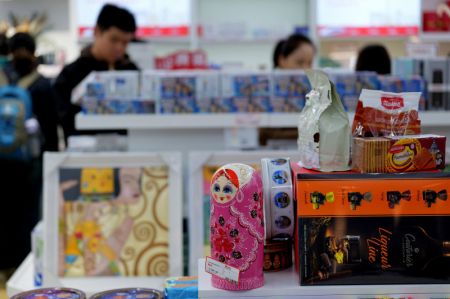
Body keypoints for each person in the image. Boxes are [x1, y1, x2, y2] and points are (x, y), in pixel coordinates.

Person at [0, 32, 58, 270]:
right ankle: (24, 265)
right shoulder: (42, 84)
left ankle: (3, 266)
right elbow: (51, 129)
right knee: (27, 216)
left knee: (3, 214)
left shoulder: (2, 81)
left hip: (1, 161)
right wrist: (51, 160)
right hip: (31, 163)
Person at [53, 4, 138, 144]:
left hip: (129, 158)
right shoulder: (71, 75)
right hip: (85, 158)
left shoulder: (132, 72)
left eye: (125, 43)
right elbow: (66, 121)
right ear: (97, 31)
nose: (119, 48)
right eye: (114, 40)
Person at [261, 33, 316, 147]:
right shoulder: (266, 89)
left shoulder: (311, 90)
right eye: (300, 62)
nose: (306, 68)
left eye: (309, 63)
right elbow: (264, 133)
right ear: (282, 60)